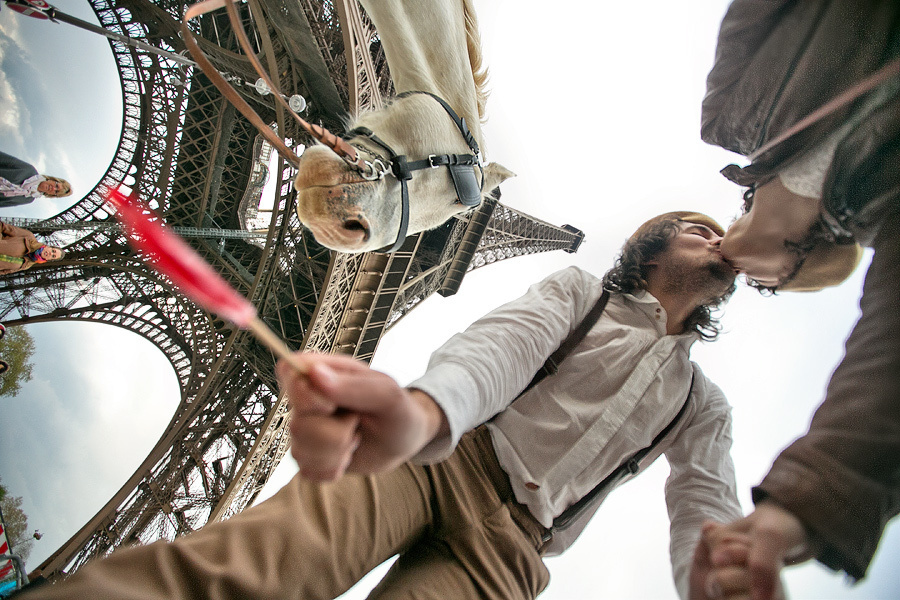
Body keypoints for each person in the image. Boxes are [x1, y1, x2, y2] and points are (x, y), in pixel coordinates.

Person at [19, 211, 741, 600]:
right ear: (652, 248)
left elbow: (707, 507)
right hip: (436, 455)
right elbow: (504, 349)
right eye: (697, 227)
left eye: (721, 232)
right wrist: (422, 415)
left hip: (515, 552)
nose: (715, 237)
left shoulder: (700, 404)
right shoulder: (582, 291)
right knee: (252, 573)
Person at [689, 1, 900, 599]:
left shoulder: (726, 113)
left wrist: (795, 509)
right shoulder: (733, 113)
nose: (738, 273)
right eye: (760, 286)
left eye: (755, 285)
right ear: (790, 267)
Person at [0, 150, 72, 208]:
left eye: (56, 192)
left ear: (52, 195)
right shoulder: (29, 170)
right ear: (53, 180)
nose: (53, 189)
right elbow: (4, 159)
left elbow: (2, 203)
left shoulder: (28, 199)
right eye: (57, 186)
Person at [0, 221, 65, 275]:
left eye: (53, 256)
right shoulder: (29, 237)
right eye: (53, 251)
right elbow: (3, 227)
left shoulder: (26, 265)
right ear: (48, 247)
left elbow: (4, 272)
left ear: (48, 259)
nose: (51, 253)